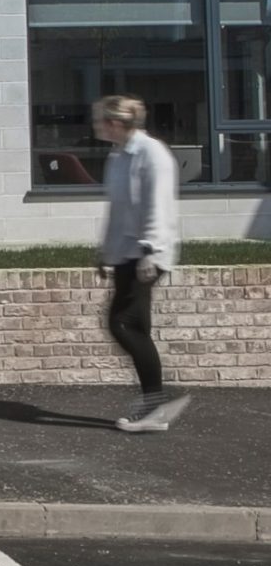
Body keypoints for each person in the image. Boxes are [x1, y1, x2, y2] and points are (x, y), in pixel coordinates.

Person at [93, 94, 188, 433]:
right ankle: (156, 404)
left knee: (122, 323)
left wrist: (149, 250)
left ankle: (157, 402)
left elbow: (157, 207)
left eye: (99, 120)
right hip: (125, 253)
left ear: (115, 123)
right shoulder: (117, 156)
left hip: (147, 253)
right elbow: (118, 211)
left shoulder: (153, 155)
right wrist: (106, 253)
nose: (95, 126)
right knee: (137, 328)